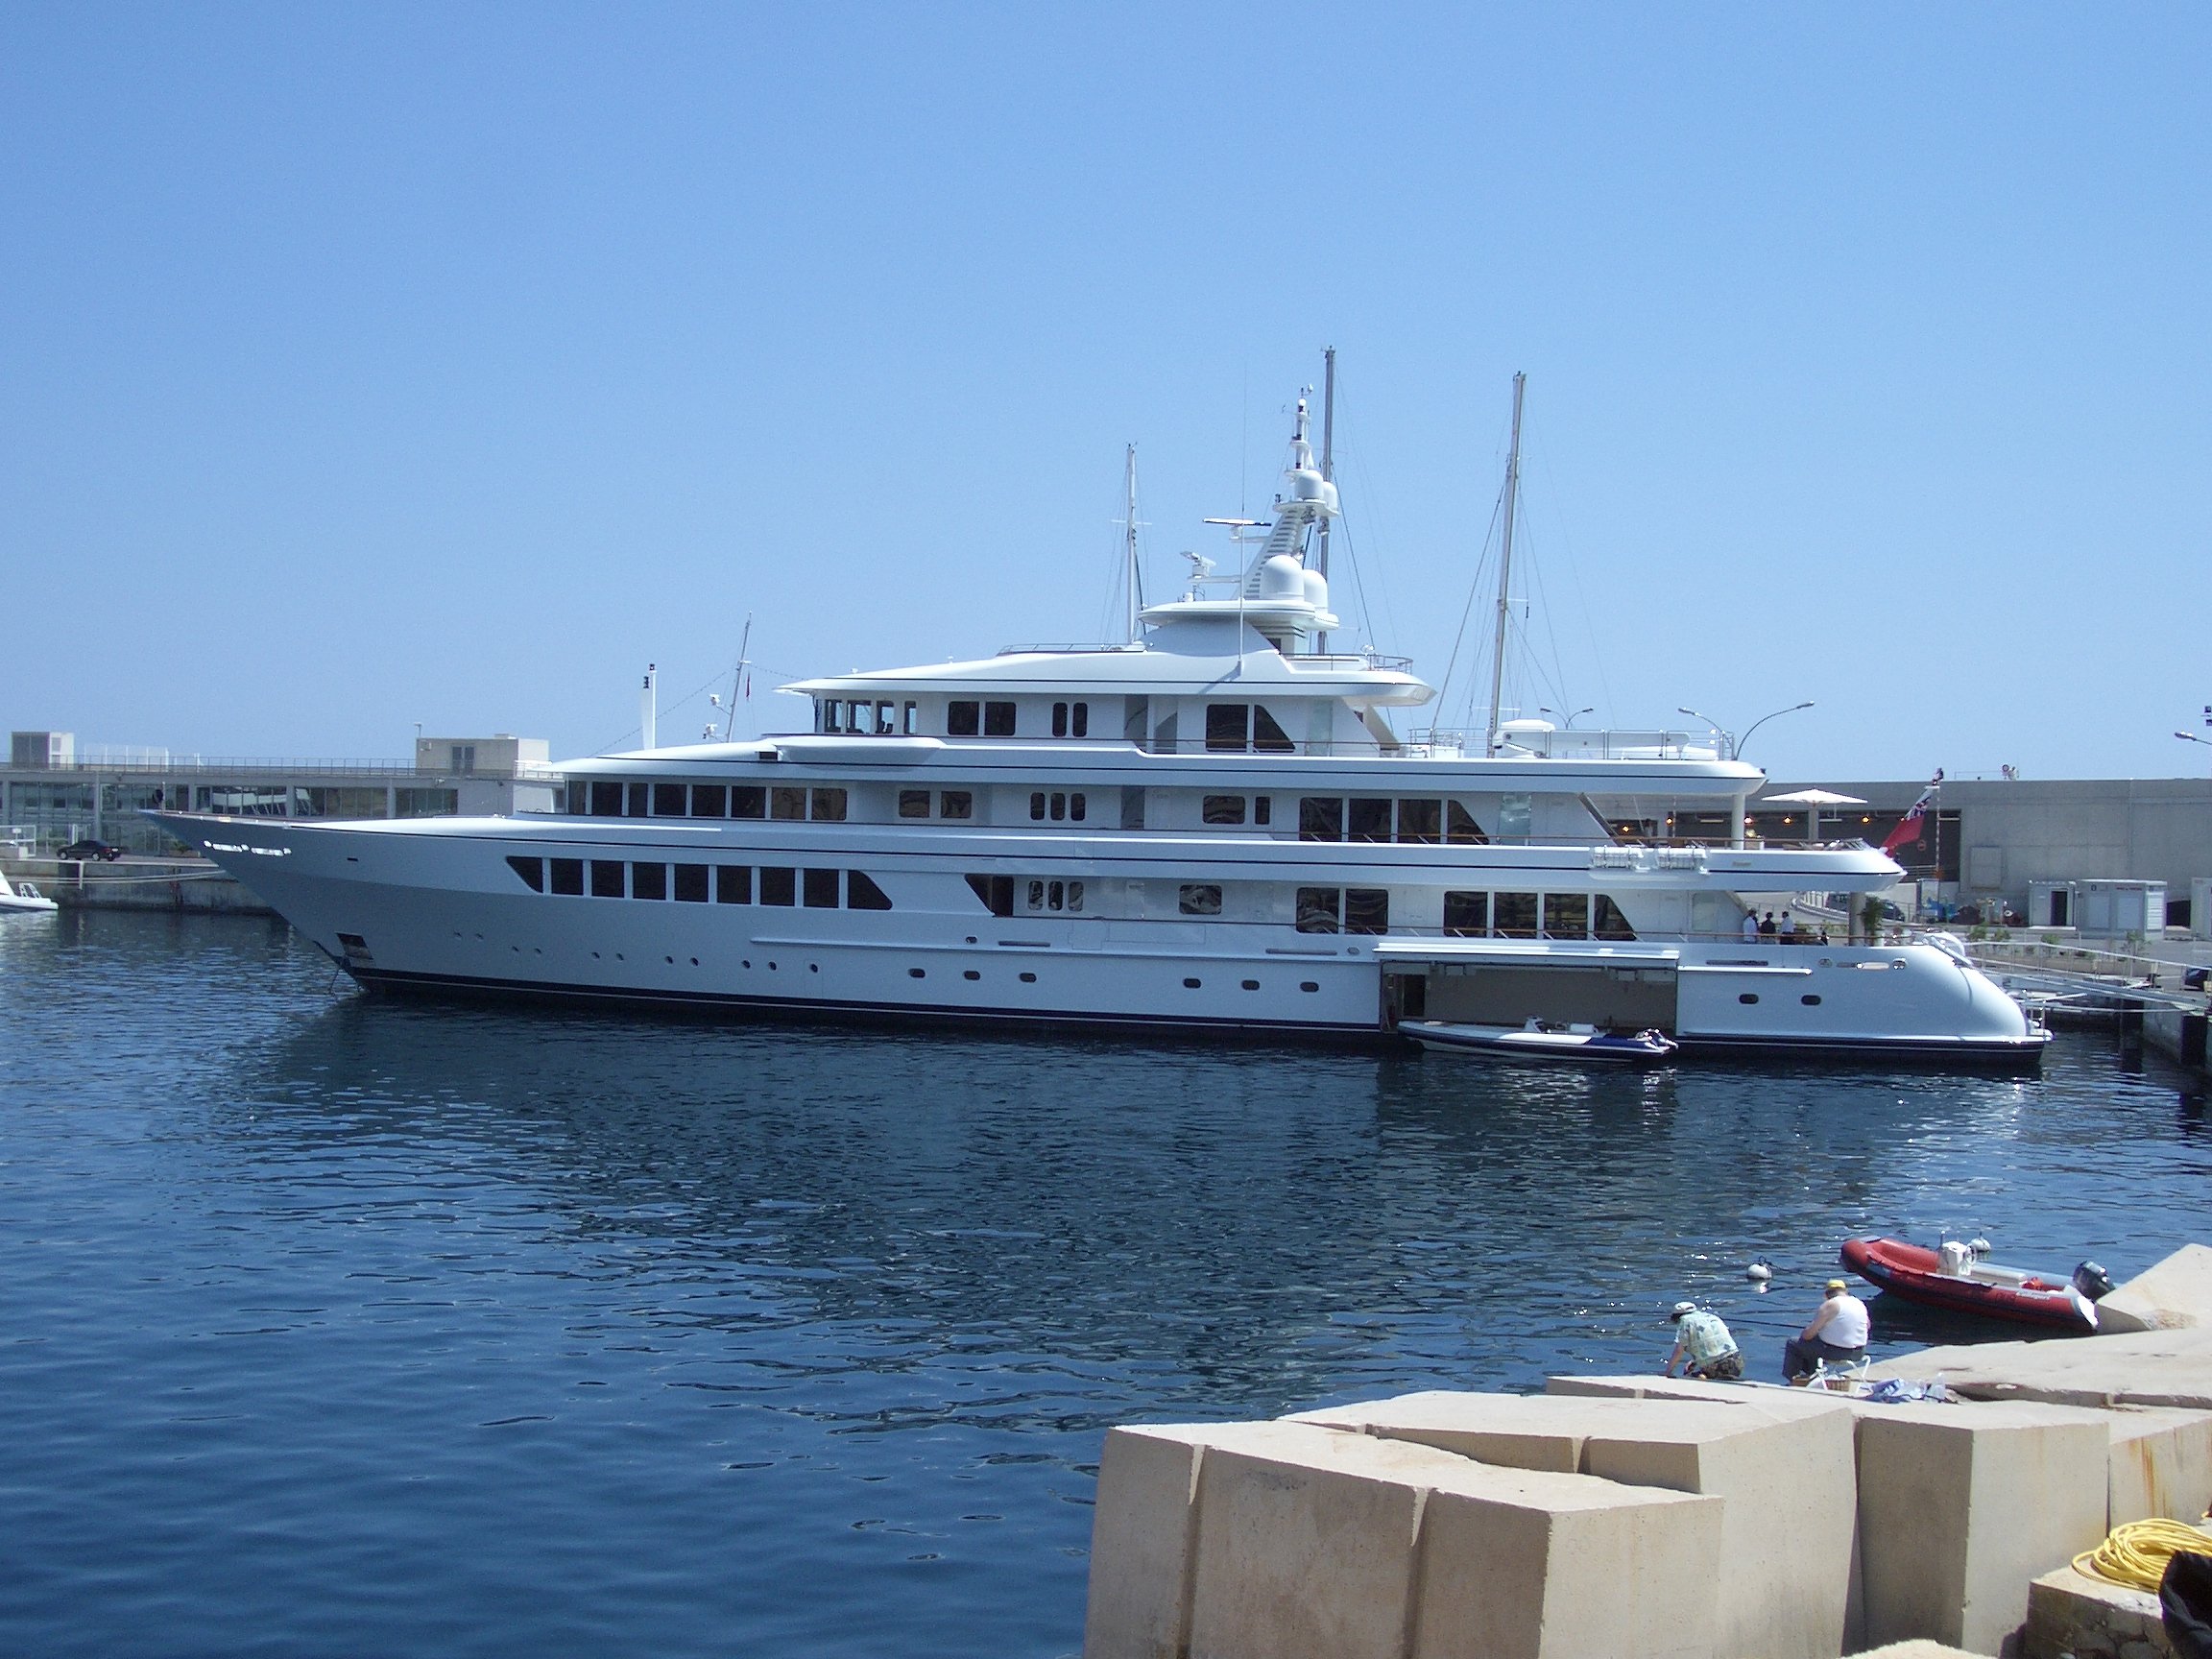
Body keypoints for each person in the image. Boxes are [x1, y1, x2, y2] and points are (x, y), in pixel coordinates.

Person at [1784, 1278, 1870, 1382]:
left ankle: (1793, 1380)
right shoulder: (1859, 1303)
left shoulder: (1831, 1304)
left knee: (1794, 1343)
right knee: (1815, 1344)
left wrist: (1807, 1331)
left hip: (1837, 1353)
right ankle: (1814, 1377)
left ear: (1826, 1294)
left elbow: (1808, 1335)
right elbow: (1867, 1326)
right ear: (1845, 1291)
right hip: (1859, 1353)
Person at [1664, 1301, 1743, 1381]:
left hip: (1717, 1366)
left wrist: (1668, 1372)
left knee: (1688, 1377)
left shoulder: (1685, 1321)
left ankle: (1702, 1377)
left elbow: (1679, 1351)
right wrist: (1694, 1361)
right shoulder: (1712, 1317)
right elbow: (1714, 1343)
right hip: (1737, 1361)